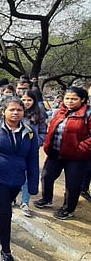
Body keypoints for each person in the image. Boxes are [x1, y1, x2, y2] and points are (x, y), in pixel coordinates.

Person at [0, 97, 39, 261]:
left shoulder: (29, 132)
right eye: (12, 109)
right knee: (5, 211)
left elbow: (33, 160)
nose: (15, 113)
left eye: (19, 110)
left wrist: (32, 185)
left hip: (17, 179)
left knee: (1, 203)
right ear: (4, 112)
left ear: (24, 112)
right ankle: (6, 251)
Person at [34, 86, 91, 220]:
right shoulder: (60, 112)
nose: (69, 101)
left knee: (72, 184)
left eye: (74, 99)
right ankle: (47, 199)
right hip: (56, 153)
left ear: (82, 100)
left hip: (77, 157)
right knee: (47, 176)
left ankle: (67, 209)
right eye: (67, 98)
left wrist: (80, 149)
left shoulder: (88, 114)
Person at [18, 90, 47, 217]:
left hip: (30, 152)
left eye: (29, 100)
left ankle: (25, 202)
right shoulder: (15, 112)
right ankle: (11, 198)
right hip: (13, 151)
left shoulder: (39, 114)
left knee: (26, 177)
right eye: (23, 100)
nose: (26, 102)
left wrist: (36, 142)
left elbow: (43, 132)